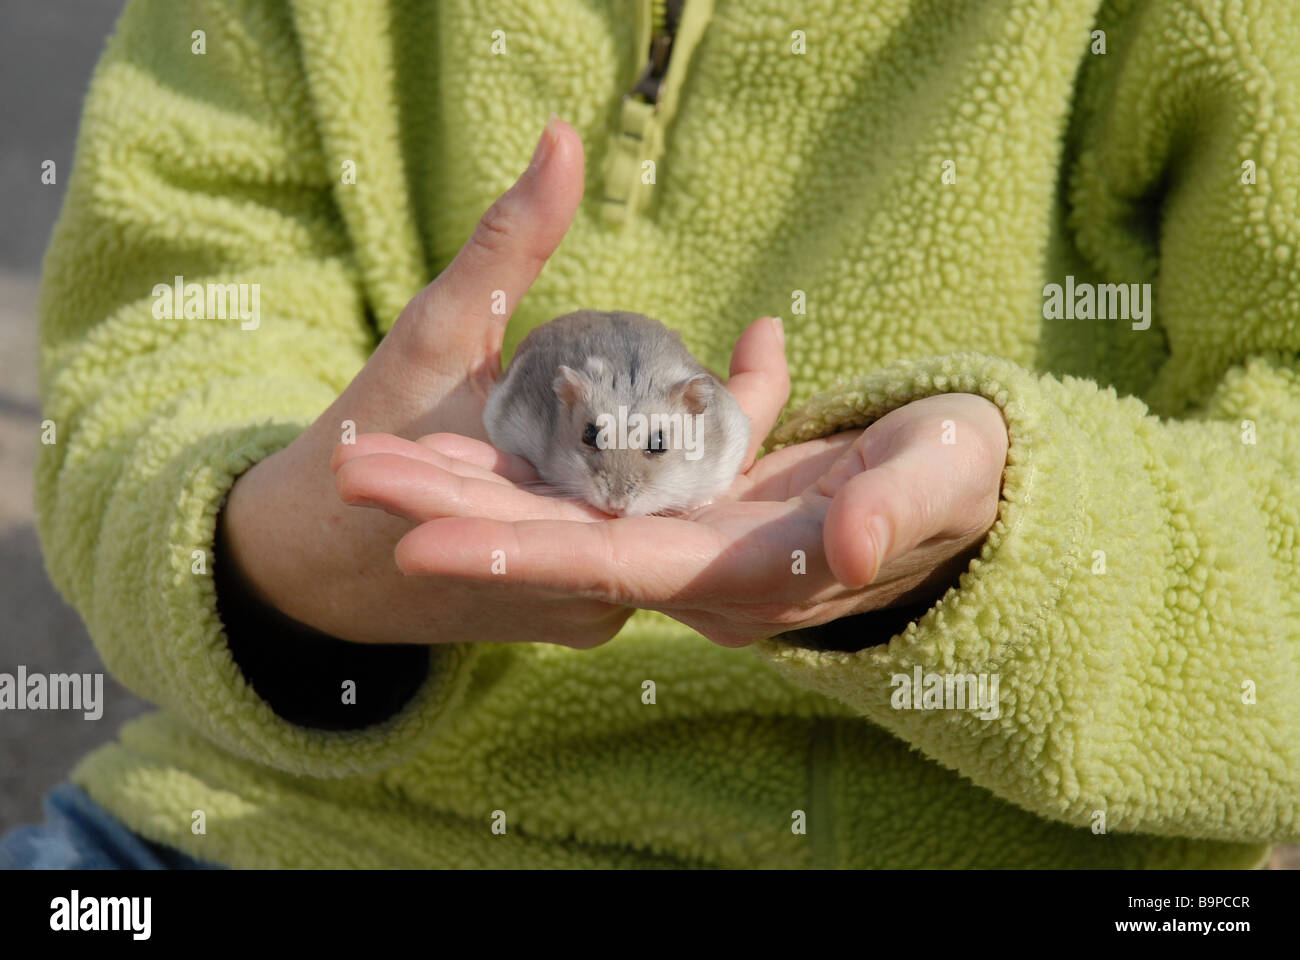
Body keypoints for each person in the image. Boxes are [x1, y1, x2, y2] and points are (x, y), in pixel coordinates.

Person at [7, 0, 1299, 869]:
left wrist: (1017, 555)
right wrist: (272, 556)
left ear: (696, 427)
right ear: (558, 419)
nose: (616, 505)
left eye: (646, 471)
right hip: (253, 832)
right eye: (594, 467)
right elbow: (162, 317)